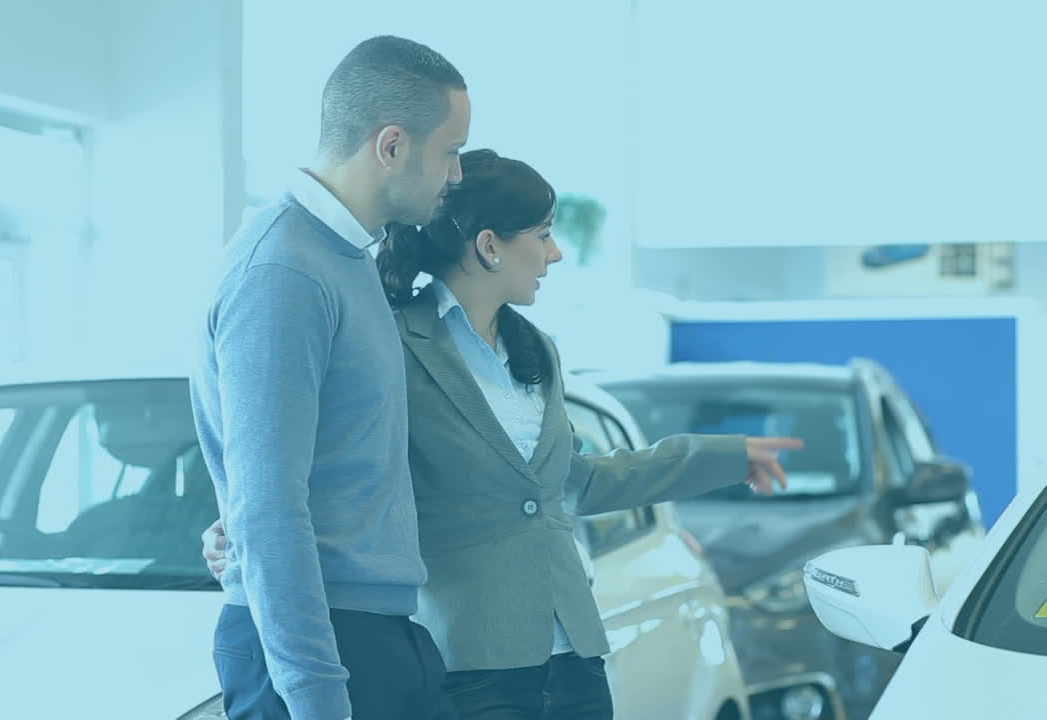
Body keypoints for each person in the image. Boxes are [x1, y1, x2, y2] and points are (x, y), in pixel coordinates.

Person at [204, 148, 804, 718]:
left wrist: (725, 456)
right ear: (490, 246)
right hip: (468, 660)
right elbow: (331, 463)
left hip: (575, 655)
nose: (557, 253)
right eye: (543, 234)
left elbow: (579, 480)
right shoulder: (390, 343)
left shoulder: (535, 349)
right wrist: (235, 533)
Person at [188, 36, 470, 720]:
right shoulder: (282, 269)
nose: (456, 175)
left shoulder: (346, 259)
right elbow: (268, 505)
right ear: (392, 145)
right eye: (450, 151)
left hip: (374, 633)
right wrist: (316, 696)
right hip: (323, 651)